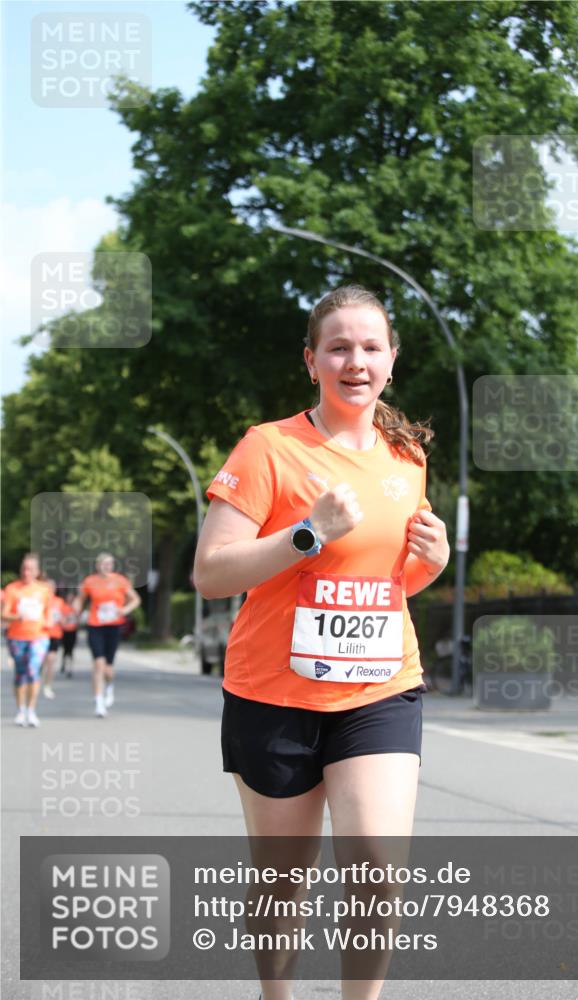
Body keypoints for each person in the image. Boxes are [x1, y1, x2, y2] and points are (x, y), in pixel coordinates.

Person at [194, 285, 450, 1000]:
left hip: (379, 689)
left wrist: (434, 560)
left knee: (376, 866)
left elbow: (385, 585)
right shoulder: (267, 447)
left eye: (370, 346)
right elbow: (211, 574)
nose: (355, 360)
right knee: (283, 884)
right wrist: (309, 532)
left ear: (391, 361)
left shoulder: (406, 458)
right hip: (272, 694)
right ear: (312, 361)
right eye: (338, 346)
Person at [72, 553, 141, 717]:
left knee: (108, 669)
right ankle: (99, 702)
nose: (106, 566)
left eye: (109, 564)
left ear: (113, 566)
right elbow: (80, 599)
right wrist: (75, 608)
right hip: (95, 625)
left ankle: (109, 686)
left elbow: (136, 599)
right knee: (98, 663)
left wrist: (124, 610)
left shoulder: (120, 580)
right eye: (103, 564)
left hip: (114, 626)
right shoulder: (90, 581)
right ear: (97, 565)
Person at [1, 553, 52, 727]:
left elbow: (49, 614)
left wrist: (48, 622)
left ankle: (31, 710)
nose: (26, 571)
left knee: (33, 669)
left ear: (37, 571)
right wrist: (17, 617)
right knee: (20, 674)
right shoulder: (12, 589)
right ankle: (21, 710)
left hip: (39, 636)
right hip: (17, 637)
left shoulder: (44, 590)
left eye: (30, 568)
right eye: (24, 568)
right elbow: (4, 614)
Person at [42, 579, 66, 699]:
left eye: (52, 587)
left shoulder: (59, 602)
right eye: (47, 587)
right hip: (41, 634)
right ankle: (37, 682)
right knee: (41, 661)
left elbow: (64, 620)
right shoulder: (39, 601)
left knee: (51, 660)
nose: (50, 589)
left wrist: (61, 618)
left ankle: (47, 685)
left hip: (55, 634)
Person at [59, 591, 79, 678]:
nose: (70, 599)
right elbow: (61, 618)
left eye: (71, 597)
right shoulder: (63, 606)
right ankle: (63, 664)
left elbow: (78, 618)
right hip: (64, 631)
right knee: (65, 649)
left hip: (73, 631)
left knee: (71, 650)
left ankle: (70, 668)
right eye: (68, 597)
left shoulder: (75, 608)